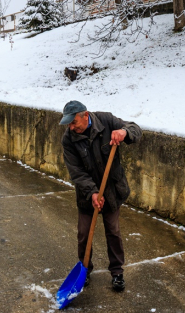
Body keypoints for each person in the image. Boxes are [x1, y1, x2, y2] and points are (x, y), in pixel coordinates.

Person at [60, 100, 142, 291]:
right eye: (69, 124)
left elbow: (135, 129)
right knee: (84, 233)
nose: (71, 127)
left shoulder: (106, 120)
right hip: (87, 195)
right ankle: (85, 270)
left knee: (113, 231)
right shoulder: (68, 139)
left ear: (85, 116)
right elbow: (76, 172)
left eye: (74, 123)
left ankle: (117, 272)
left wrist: (125, 132)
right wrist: (93, 192)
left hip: (112, 190)